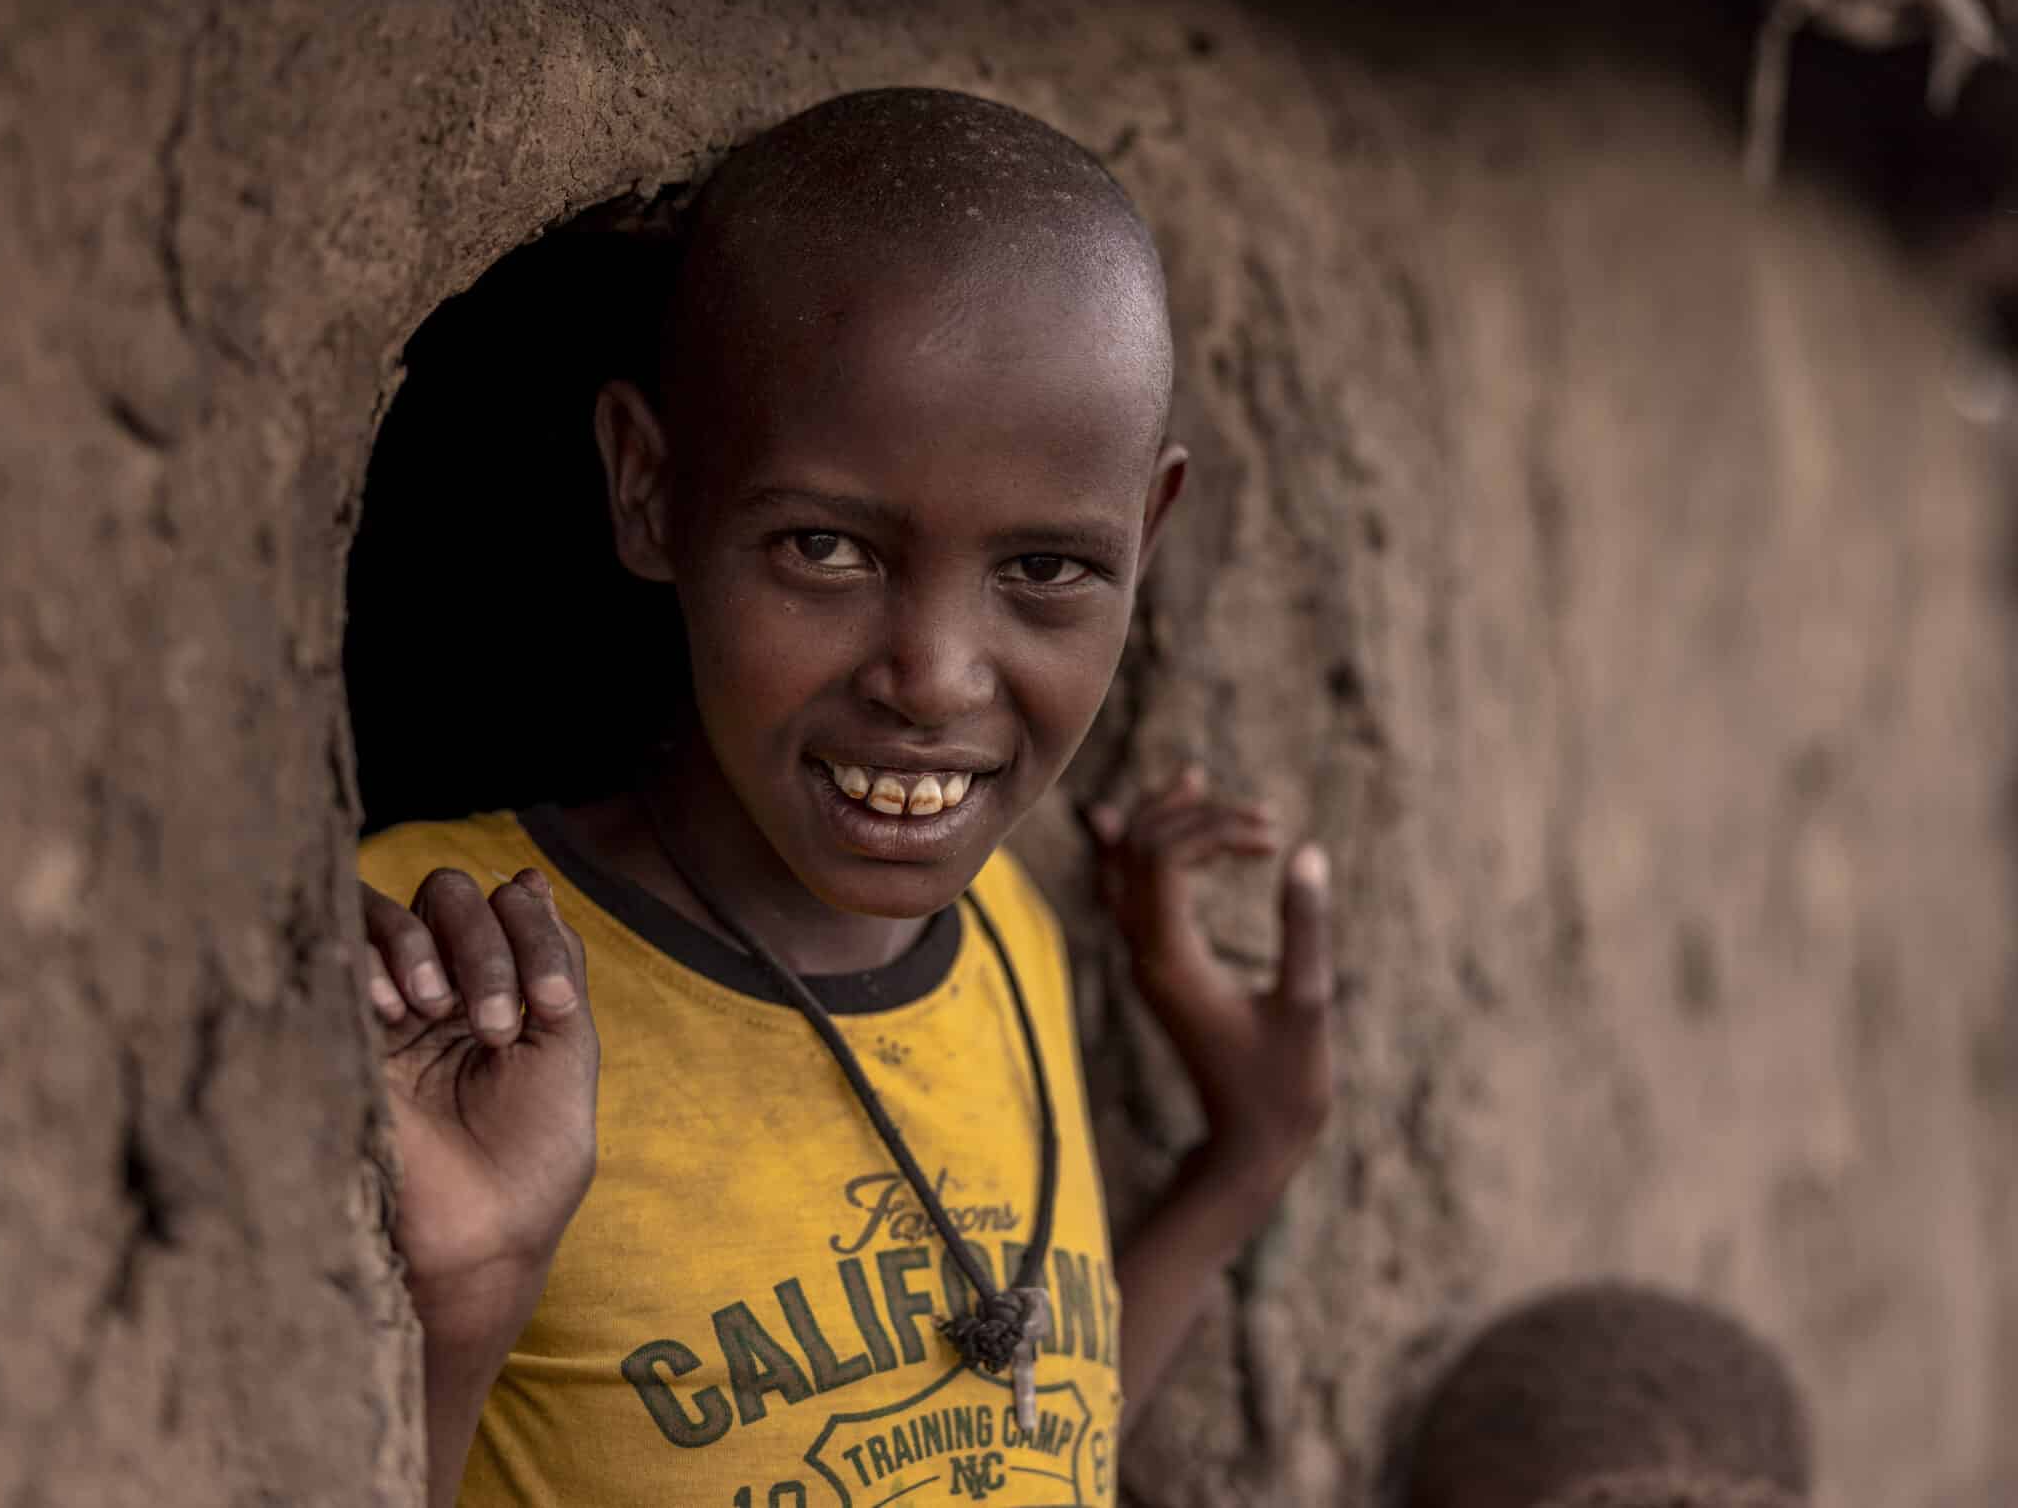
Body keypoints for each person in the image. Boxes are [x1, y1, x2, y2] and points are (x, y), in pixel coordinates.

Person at [355, 87, 1336, 1507]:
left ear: (1150, 533)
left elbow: (1009, 1437)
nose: (933, 680)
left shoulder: (1011, 936)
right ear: (648, 491)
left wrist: (1248, 1160)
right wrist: (463, 1304)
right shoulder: (457, 985)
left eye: (1049, 570)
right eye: (824, 548)